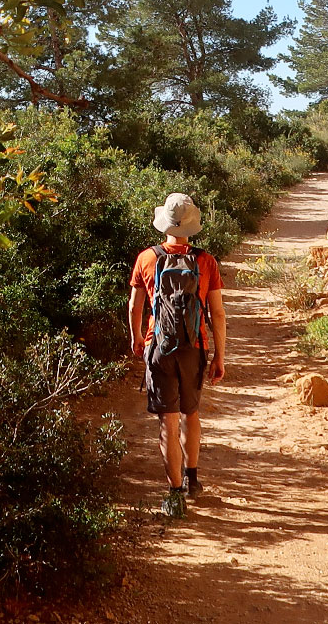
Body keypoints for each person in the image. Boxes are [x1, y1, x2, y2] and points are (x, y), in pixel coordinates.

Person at [128, 192, 227, 518]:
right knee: (191, 415)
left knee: (167, 422)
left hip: (159, 347)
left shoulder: (147, 258)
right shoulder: (206, 261)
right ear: (192, 225)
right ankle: (192, 479)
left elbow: (135, 306)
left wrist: (138, 338)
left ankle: (173, 496)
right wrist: (219, 357)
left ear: (165, 223)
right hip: (194, 348)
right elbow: (218, 313)